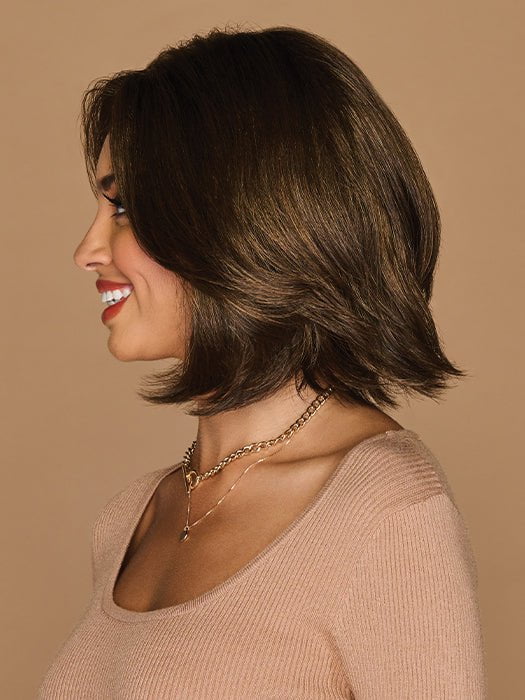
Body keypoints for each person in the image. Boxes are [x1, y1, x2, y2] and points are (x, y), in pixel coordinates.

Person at [37, 24, 486, 698]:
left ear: (237, 216)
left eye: (124, 206)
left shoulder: (385, 511)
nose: (87, 250)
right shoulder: (131, 518)